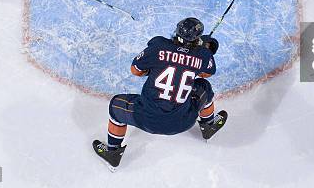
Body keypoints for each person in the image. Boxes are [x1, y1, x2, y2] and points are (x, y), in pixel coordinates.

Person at [92, 17, 228, 172]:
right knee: (203, 87)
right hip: (184, 121)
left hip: (146, 118)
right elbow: (206, 74)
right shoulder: (203, 55)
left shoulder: (159, 46)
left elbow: (135, 70)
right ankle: (209, 125)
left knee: (116, 106)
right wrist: (198, 54)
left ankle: (112, 153)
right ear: (197, 39)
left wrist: (152, 70)